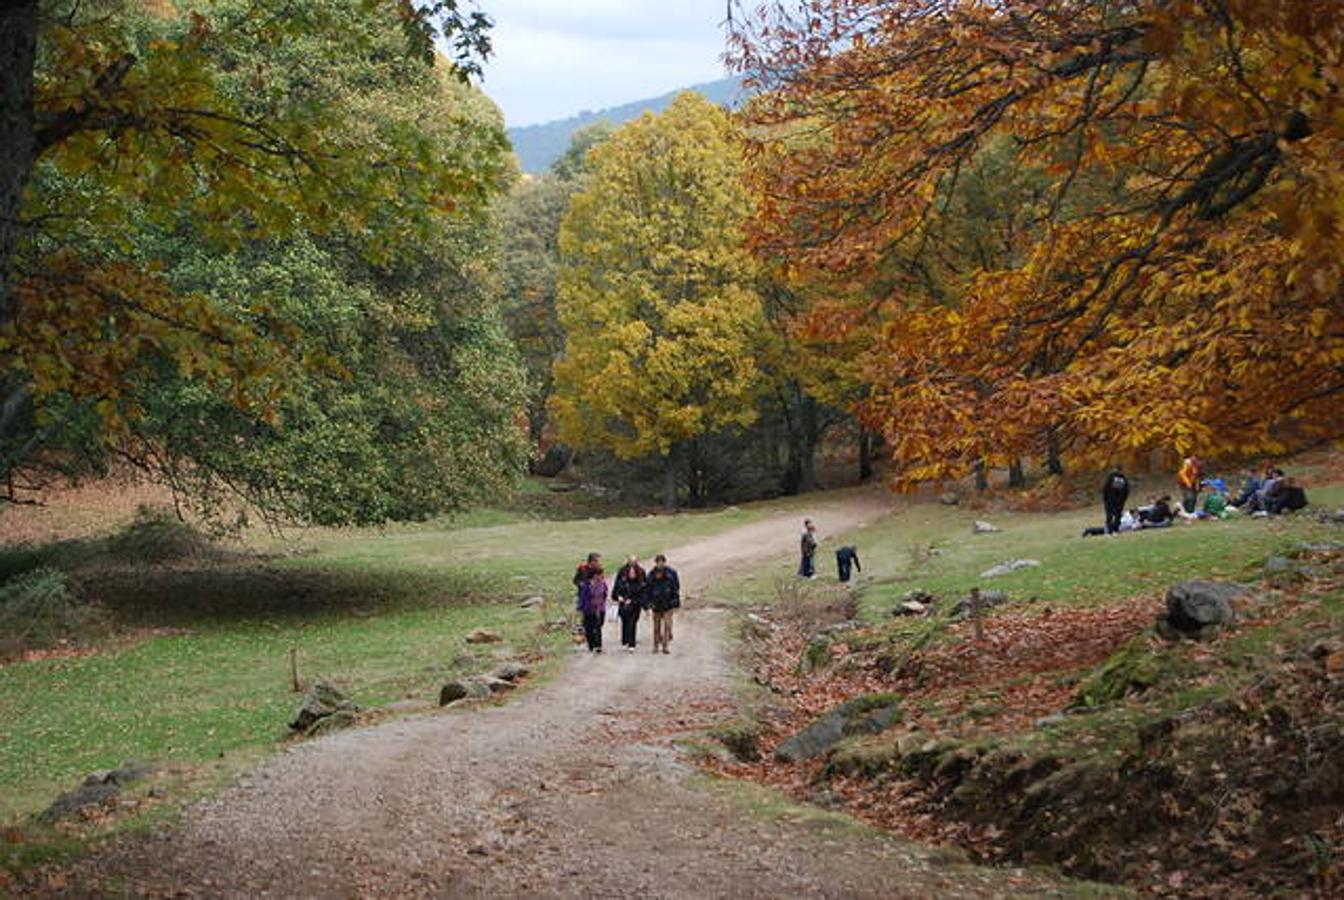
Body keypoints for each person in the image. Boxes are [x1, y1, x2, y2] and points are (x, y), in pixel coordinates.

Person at [645, 553, 680, 655]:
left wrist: (675, 603)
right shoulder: (651, 575)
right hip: (656, 606)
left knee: (667, 626)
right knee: (656, 627)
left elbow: (675, 589)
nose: (660, 564)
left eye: (662, 562)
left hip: (668, 605)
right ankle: (655, 646)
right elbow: (647, 591)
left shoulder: (671, 575)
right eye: (658, 562)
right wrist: (649, 604)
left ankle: (665, 646)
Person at [612, 555, 647, 652]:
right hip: (623, 603)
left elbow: (644, 590)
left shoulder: (641, 572)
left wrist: (644, 605)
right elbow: (616, 588)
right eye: (631, 561)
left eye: (634, 561)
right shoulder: (622, 572)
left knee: (633, 622)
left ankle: (632, 643)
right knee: (625, 621)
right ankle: (625, 640)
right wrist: (618, 597)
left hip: (635, 604)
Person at [577, 560, 608, 653]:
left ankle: (598, 646)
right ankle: (592, 646)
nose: (602, 577)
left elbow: (605, 594)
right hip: (589, 609)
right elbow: (583, 598)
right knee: (589, 628)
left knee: (598, 626)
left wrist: (602, 601)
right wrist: (582, 608)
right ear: (594, 575)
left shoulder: (603, 584)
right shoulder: (587, 585)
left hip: (600, 608)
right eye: (600, 575)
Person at [1102, 464, 1130, 535]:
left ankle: (1109, 530)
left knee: (1109, 515)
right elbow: (1127, 490)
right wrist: (1123, 500)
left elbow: (1105, 488)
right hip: (1120, 501)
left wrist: (1105, 498)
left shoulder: (1111, 476)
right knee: (1118, 515)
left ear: (1115, 469)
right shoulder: (1124, 478)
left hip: (1110, 500)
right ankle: (1116, 529)